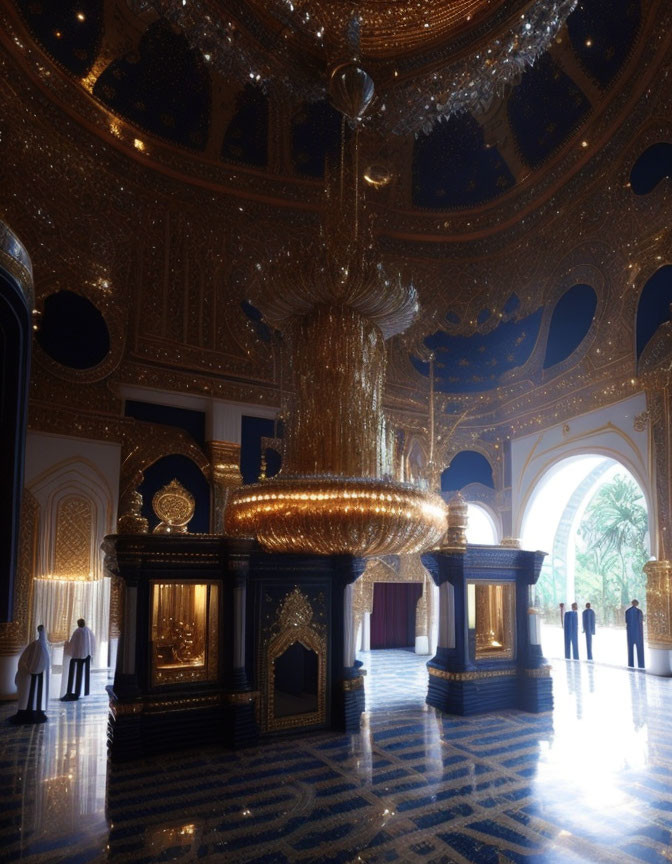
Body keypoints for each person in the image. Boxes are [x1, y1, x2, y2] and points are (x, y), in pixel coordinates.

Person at [10, 625, 50, 724]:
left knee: (32, 695)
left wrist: (33, 670)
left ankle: (32, 712)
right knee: (31, 696)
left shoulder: (39, 645)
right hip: (32, 676)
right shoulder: (39, 645)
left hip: (33, 676)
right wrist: (33, 670)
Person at [61, 619, 96, 701]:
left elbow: (73, 643)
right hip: (87, 655)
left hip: (78, 656)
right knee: (84, 673)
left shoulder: (77, 631)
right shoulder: (88, 630)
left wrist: (67, 646)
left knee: (77, 674)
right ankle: (85, 691)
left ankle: (75, 693)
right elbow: (93, 641)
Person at [625, 599, 645, 669]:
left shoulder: (627, 611)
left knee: (630, 649)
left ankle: (631, 664)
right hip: (638, 633)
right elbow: (641, 622)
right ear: (637, 604)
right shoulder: (639, 612)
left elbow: (626, 621)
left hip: (630, 633)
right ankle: (641, 664)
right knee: (640, 649)